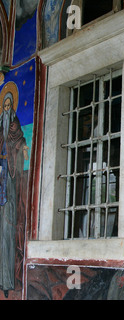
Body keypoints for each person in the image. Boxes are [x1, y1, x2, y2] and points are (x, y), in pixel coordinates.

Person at [0, 87, 28, 298]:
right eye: (5, 106)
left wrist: (23, 148)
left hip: (8, 178)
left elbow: (19, 141)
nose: (7, 109)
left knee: (8, 231)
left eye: (9, 106)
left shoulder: (13, 125)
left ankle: (7, 281)